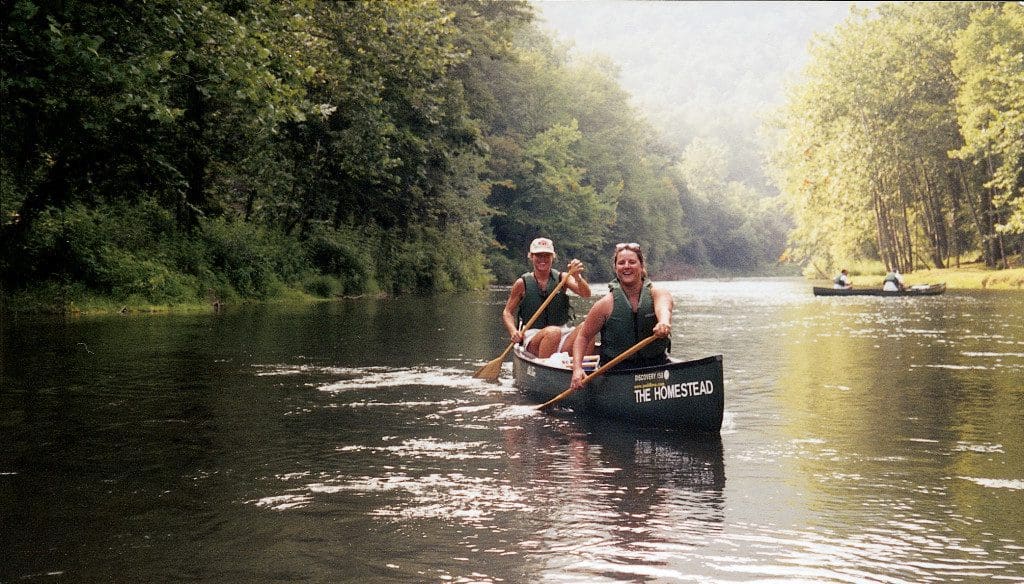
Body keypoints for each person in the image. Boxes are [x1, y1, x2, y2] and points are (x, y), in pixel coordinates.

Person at [568, 242, 673, 392]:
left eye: (632, 262)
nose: (626, 266)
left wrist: (663, 322)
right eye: (621, 263)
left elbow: (664, 308)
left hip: (656, 367)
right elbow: (583, 337)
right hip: (616, 373)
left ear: (641, 266)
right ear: (616, 269)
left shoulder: (658, 293)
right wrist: (577, 369)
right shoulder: (605, 304)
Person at [502, 237, 591, 359]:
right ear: (531, 256)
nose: (542, 259)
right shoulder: (521, 283)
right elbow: (507, 312)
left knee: (589, 325)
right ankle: (548, 368)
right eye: (538, 255)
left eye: (546, 255)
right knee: (553, 332)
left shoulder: (563, 278)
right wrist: (513, 331)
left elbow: (586, 294)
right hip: (533, 337)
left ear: (552, 257)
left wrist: (578, 277)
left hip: (562, 334)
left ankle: (582, 369)